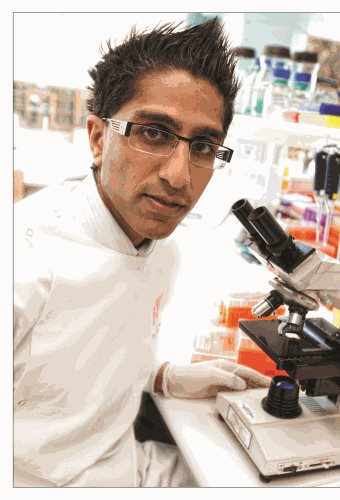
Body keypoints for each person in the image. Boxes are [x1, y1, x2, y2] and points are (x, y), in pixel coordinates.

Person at [14, 18, 271, 487]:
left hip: (128, 469)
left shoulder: (160, 250)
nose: (179, 176)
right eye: (153, 133)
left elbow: (77, 360)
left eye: (203, 146)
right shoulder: (24, 264)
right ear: (97, 137)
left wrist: (164, 376)